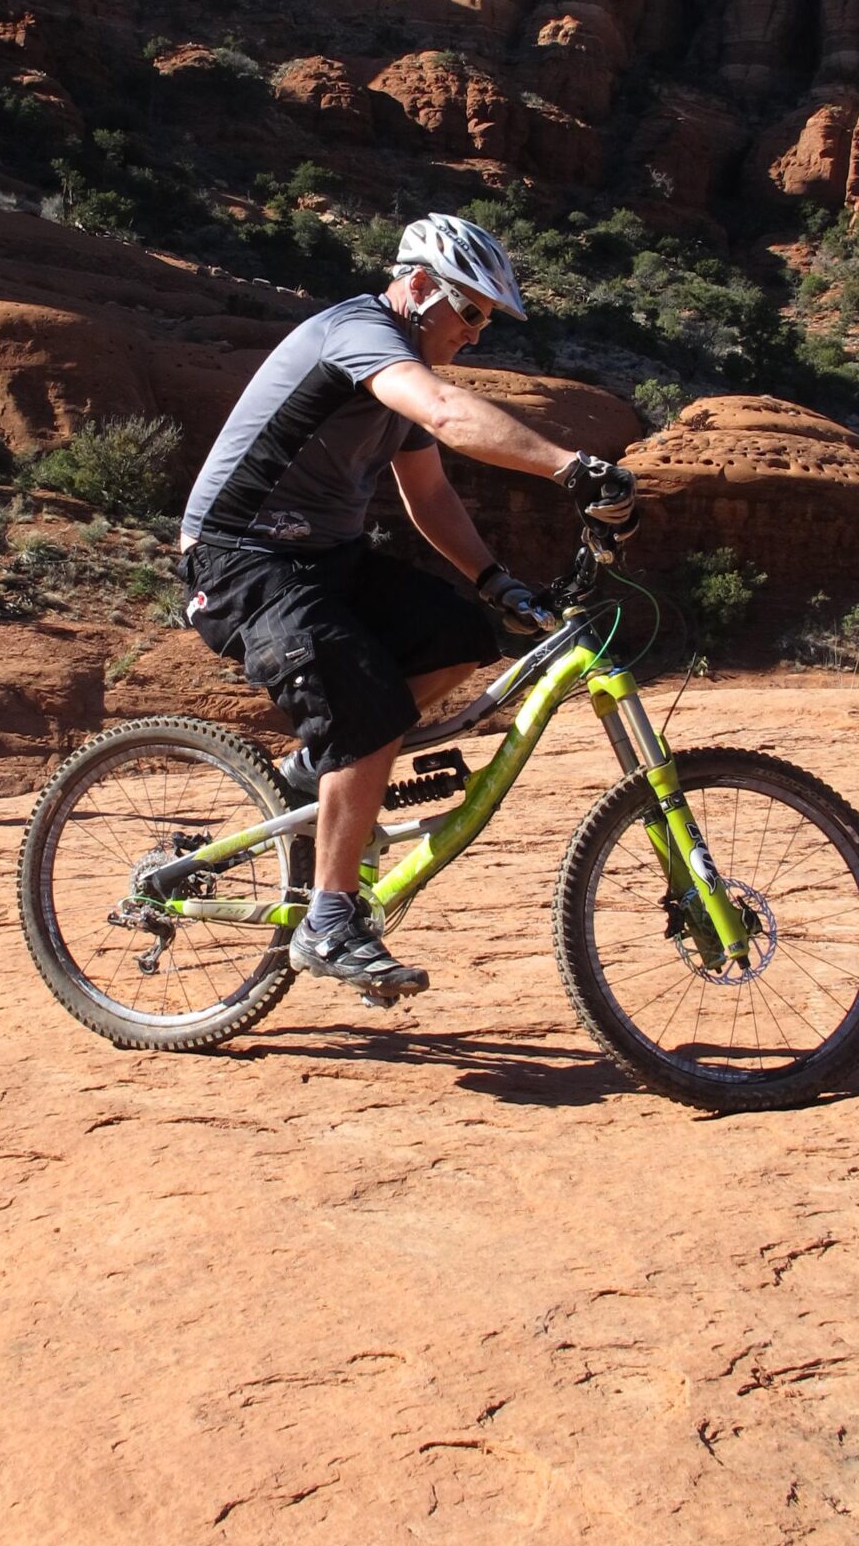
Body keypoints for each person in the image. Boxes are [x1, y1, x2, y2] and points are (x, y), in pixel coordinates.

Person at [180, 213, 637, 1003]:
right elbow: (452, 417)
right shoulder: (358, 335)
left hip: (325, 563)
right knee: (366, 704)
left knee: (461, 632)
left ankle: (310, 774)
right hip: (237, 558)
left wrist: (494, 581)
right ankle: (327, 920)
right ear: (420, 288)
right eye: (472, 312)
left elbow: (427, 495)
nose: (477, 333)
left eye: (487, 319)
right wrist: (571, 468)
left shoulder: (397, 369)